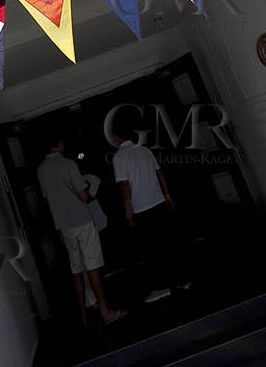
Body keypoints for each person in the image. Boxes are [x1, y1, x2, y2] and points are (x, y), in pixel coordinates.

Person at [35, 131, 127, 328]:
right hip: (82, 221)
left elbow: (46, 198)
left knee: (76, 269)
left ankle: (84, 317)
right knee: (92, 266)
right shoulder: (68, 164)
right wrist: (85, 186)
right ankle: (105, 312)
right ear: (59, 144)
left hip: (63, 225)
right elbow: (84, 197)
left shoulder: (41, 169)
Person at [110, 130, 191, 302]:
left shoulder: (119, 157)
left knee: (152, 249)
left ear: (116, 137)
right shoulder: (144, 150)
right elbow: (159, 172)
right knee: (169, 243)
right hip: (158, 201)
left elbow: (124, 186)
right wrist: (167, 194)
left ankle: (162, 287)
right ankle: (181, 280)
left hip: (140, 208)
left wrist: (128, 212)